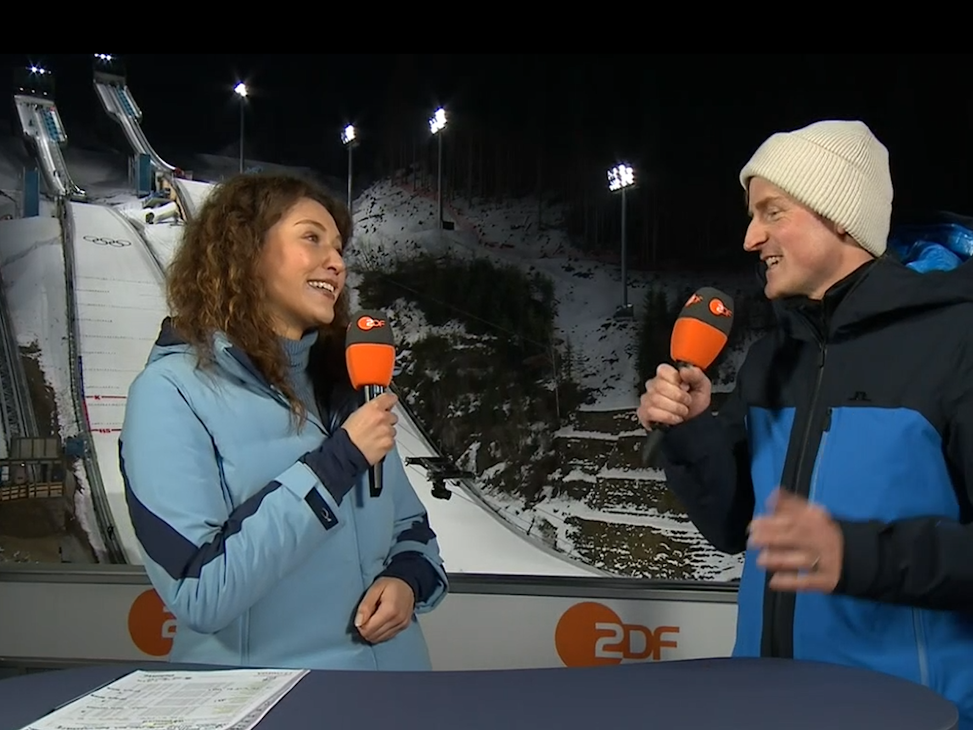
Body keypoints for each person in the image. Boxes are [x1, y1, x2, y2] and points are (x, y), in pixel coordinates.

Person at [637, 120, 973, 725]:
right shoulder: (772, 357)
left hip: (912, 714)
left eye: (772, 212)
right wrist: (692, 430)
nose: (750, 238)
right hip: (769, 706)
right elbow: (735, 527)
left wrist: (857, 554)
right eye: (751, 215)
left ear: (840, 217)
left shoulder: (955, 343)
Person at [119, 173, 448, 671]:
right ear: (245, 250)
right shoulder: (169, 393)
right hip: (274, 698)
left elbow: (411, 529)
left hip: (396, 690)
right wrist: (335, 465)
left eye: (338, 248)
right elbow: (198, 591)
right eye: (311, 237)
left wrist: (407, 580)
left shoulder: (348, 390)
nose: (336, 263)